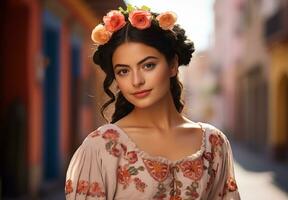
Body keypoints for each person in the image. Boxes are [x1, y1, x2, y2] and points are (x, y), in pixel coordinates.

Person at [65, 5, 240, 200]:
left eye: (148, 65)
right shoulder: (101, 146)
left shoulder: (213, 143)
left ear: (173, 65)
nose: (136, 81)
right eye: (123, 71)